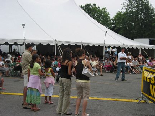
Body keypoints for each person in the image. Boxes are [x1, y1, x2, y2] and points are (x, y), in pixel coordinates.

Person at [75, 48, 93, 116]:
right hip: (85, 81)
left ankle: (76, 112)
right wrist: (89, 68)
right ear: (83, 54)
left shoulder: (76, 61)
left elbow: (75, 70)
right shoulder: (86, 61)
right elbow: (91, 70)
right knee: (85, 97)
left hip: (78, 81)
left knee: (79, 96)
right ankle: (83, 113)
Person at [56, 48, 72, 115]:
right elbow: (69, 73)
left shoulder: (62, 61)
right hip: (66, 79)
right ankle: (64, 111)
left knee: (61, 94)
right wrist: (72, 71)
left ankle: (59, 110)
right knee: (66, 95)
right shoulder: (69, 62)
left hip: (61, 78)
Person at [21, 43, 33, 109]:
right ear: (29, 47)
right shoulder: (28, 54)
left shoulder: (24, 53)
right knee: (26, 86)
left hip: (25, 71)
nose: (32, 48)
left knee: (26, 86)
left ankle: (25, 101)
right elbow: (32, 62)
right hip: (27, 71)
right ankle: (25, 102)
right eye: (31, 47)